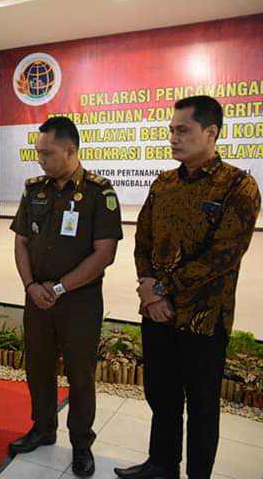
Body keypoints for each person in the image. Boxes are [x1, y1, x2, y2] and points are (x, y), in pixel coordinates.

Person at [115, 96, 261, 479]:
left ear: (210, 132)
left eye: (183, 130)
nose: (173, 138)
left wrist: (161, 289)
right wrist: (149, 291)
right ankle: (161, 465)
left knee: (201, 406)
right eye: (171, 131)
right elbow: (142, 241)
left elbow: (223, 256)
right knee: (161, 395)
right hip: (157, 314)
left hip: (203, 319)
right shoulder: (163, 184)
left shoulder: (238, 187)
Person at [8, 116, 122, 476]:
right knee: (38, 367)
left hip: (78, 302)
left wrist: (59, 288)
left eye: (47, 153)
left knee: (80, 374)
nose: (40, 159)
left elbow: (104, 254)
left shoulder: (99, 193)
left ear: (70, 151)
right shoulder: (34, 190)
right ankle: (43, 428)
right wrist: (30, 286)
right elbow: (21, 242)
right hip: (37, 298)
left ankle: (81, 444)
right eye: (38, 152)